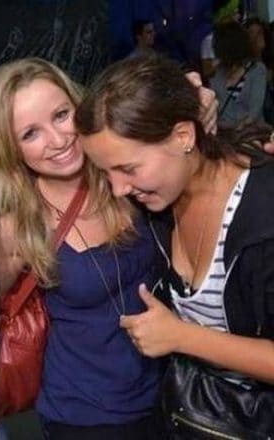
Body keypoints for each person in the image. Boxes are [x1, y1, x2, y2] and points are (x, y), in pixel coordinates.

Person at [76, 54, 274, 439]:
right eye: (105, 172)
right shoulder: (161, 201)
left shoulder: (263, 216)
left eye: (128, 169)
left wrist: (180, 336)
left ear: (183, 137)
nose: (118, 189)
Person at [0, 58, 162, 439]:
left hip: (169, 392)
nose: (58, 140)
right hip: (83, 415)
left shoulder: (125, 172)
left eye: (61, 115)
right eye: (31, 133)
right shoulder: (19, 225)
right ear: (11, 149)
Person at [211, 21, 267, 129]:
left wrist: (240, 126)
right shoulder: (216, 73)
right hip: (225, 134)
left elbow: (255, 111)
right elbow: (216, 110)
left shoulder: (257, 70)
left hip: (251, 133)